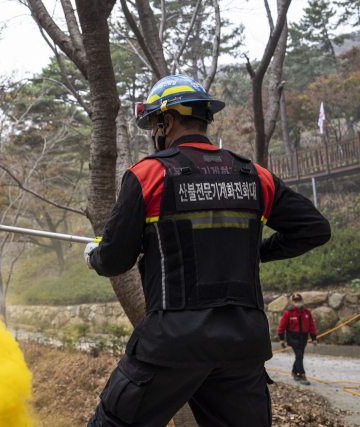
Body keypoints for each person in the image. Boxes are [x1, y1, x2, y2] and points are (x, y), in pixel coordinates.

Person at [83, 74, 331, 427]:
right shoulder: (254, 175)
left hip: (173, 342)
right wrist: (257, 251)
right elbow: (315, 229)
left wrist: (95, 256)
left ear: (166, 121)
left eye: (154, 124)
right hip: (242, 346)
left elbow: (115, 259)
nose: (154, 133)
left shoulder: (149, 175)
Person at [278, 294, 318, 385]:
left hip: (303, 337)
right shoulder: (288, 312)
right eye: (295, 301)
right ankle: (302, 375)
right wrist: (281, 339)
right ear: (293, 302)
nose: (298, 303)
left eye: (299, 301)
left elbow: (311, 325)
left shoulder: (307, 312)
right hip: (293, 337)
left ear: (302, 301)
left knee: (300, 356)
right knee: (299, 355)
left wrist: (313, 338)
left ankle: (294, 372)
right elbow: (282, 326)